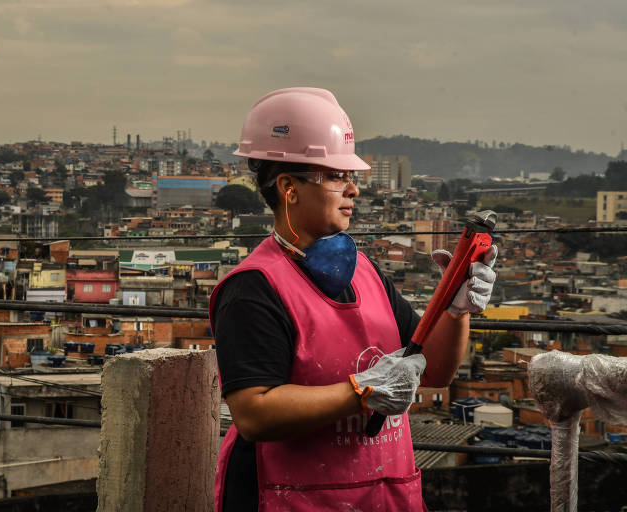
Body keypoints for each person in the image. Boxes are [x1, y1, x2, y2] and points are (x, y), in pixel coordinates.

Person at [209, 87, 498, 511]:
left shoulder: (365, 272)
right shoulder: (254, 288)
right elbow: (254, 413)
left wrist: (455, 310)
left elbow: (435, 370)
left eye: (351, 177)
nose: (353, 190)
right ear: (289, 188)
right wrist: (361, 391)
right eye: (336, 176)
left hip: (381, 496)